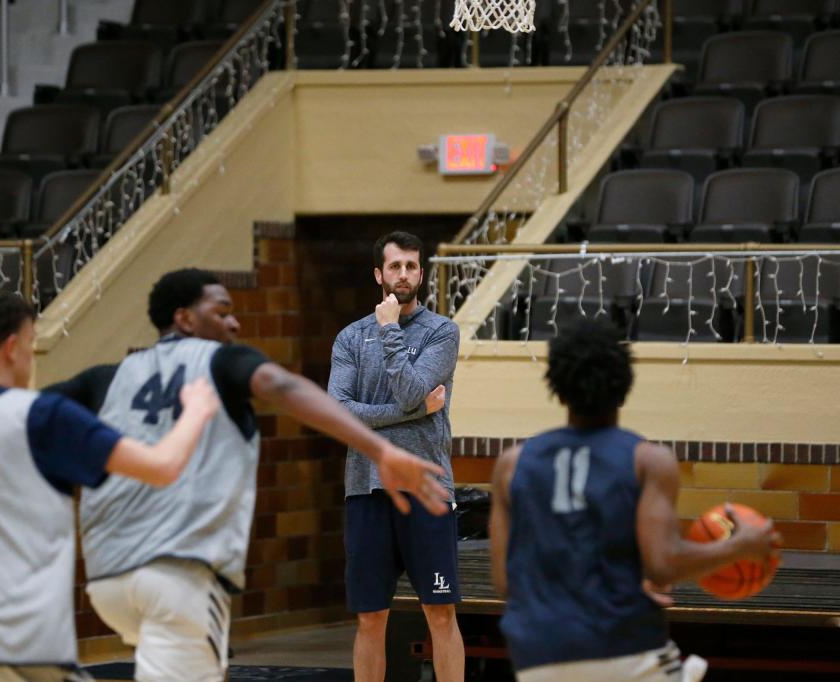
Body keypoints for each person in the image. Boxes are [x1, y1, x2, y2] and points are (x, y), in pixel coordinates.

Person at [78, 268, 450, 682]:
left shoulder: (111, 376)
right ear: (184, 319)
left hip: (106, 574)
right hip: (175, 571)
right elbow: (283, 387)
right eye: (221, 313)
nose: (234, 323)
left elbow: (28, 414)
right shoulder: (223, 361)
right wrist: (380, 449)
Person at [0, 292, 220, 682]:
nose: (31, 357)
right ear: (12, 347)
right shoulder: (42, 416)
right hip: (23, 641)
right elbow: (162, 467)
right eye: (32, 345)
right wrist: (197, 411)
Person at [489, 318, 782, 682]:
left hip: (538, 656)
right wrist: (740, 547)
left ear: (558, 390)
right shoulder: (648, 460)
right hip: (625, 648)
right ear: (624, 387)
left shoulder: (510, 465)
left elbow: (505, 582)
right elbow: (663, 564)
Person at [328, 231, 465, 682]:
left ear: (421, 273)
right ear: (378, 274)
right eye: (394, 266)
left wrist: (389, 330)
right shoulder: (350, 338)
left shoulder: (442, 332)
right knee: (370, 617)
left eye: (410, 266)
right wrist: (407, 412)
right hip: (366, 489)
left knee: (440, 612)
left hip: (427, 489)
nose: (403, 274)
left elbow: (410, 388)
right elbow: (339, 412)